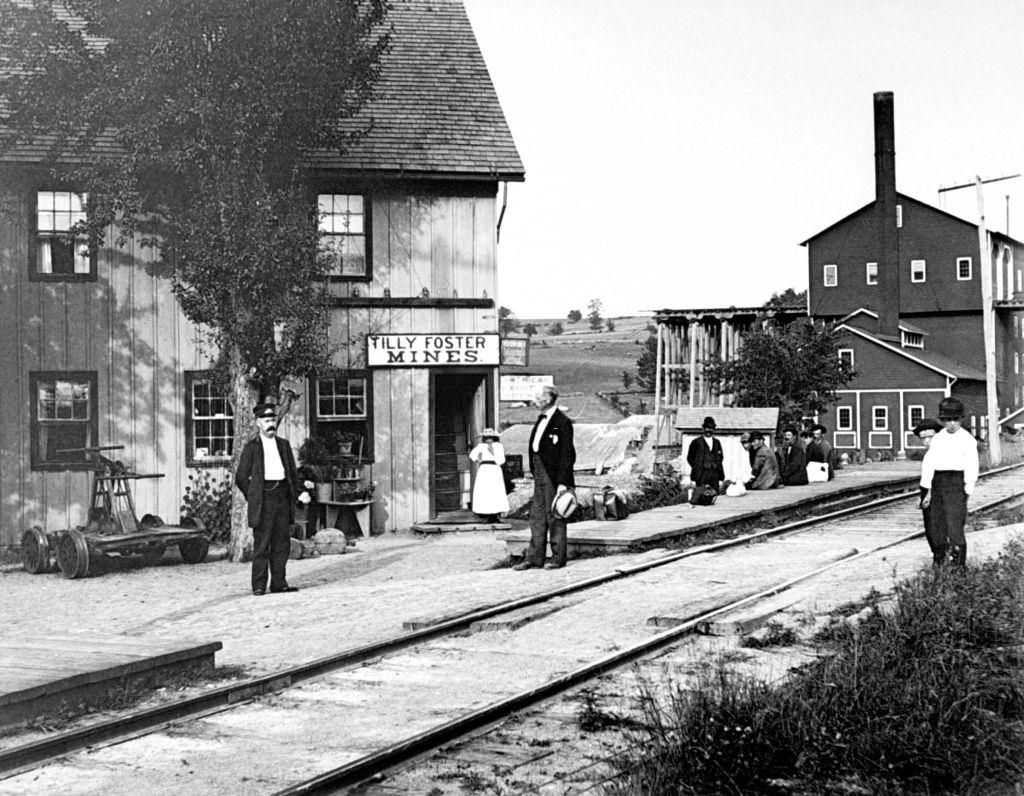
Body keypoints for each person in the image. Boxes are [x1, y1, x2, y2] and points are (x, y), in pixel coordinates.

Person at [235, 403, 311, 595]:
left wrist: (299, 492)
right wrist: (253, 496)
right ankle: (259, 585)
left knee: (281, 543)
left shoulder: (283, 445)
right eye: (266, 421)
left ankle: (279, 583)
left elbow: (293, 474)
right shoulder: (251, 448)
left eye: (273, 420)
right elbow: (241, 477)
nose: (271, 424)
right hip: (263, 499)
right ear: (258, 423)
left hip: (283, 496)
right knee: (262, 544)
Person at [514, 385, 576, 571]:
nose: (534, 400)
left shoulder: (562, 422)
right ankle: (534, 558)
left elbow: (567, 454)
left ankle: (558, 558)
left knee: (555, 515)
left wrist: (563, 483)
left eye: (537, 396)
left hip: (554, 476)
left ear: (548, 399)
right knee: (537, 516)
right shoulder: (541, 419)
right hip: (539, 473)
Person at [920, 398, 979, 567]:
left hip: (956, 482)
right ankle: (939, 561)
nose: (952, 423)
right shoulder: (938, 439)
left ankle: (958, 566)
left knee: (954, 525)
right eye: (947, 420)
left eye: (955, 419)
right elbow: (930, 463)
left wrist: (968, 487)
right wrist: (927, 489)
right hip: (938, 482)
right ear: (942, 420)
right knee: (937, 525)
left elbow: (971, 464)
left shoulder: (967, 439)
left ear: (961, 419)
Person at [912, 417, 944, 565]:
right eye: (923, 438)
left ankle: (940, 559)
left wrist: (930, 494)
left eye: (930, 437)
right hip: (928, 492)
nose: (927, 441)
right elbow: (926, 477)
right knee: (929, 528)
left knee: (936, 528)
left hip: (938, 494)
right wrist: (922, 495)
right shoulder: (929, 454)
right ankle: (938, 557)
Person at [468, 428, 509, 521]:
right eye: (486, 438)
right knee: (486, 491)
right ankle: (487, 515)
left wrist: (492, 452)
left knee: (495, 490)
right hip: (484, 469)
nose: (488, 439)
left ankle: (495, 515)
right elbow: (472, 454)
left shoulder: (498, 446)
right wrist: (479, 460)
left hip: (494, 469)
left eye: (490, 437)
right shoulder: (481, 446)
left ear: (494, 438)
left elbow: (501, 460)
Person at [686, 416, 725, 491]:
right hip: (701, 475)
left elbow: (720, 459)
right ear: (703, 429)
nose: (709, 430)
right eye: (707, 428)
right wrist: (698, 467)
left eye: (711, 428)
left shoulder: (717, 443)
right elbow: (690, 458)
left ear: (713, 429)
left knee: (714, 494)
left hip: (714, 475)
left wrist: (720, 476)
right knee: (701, 494)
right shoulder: (696, 442)